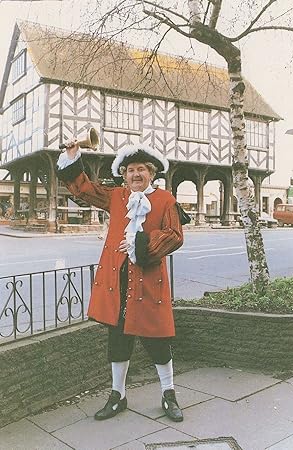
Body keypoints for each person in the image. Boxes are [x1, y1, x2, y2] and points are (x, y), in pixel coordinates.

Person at [57, 141, 184, 422]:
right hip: (118, 282)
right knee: (118, 340)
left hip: (150, 283)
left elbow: (175, 235)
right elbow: (85, 190)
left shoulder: (166, 200)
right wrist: (72, 157)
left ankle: (169, 394)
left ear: (151, 173)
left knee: (158, 341)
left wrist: (140, 245)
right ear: (123, 175)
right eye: (130, 170)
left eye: (141, 170)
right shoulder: (116, 197)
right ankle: (118, 396)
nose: (135, 174)